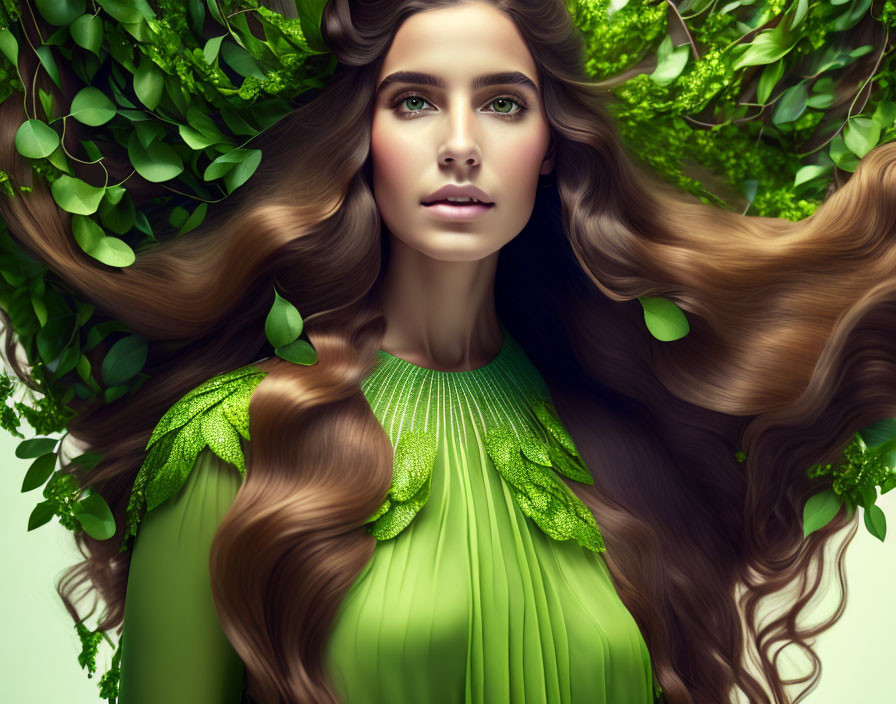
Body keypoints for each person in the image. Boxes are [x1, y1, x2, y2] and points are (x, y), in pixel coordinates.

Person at [2, 1, 895, 702]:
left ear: (550, 150)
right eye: (416, 101)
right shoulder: (233, 444)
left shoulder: (612, 440)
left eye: (504, 103)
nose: (461, 147)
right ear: (365, 142)